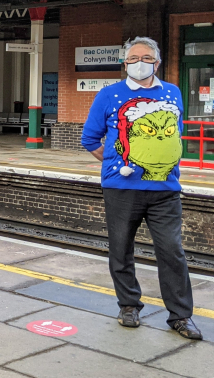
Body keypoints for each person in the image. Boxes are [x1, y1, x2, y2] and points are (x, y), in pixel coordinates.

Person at [82, 36, 201, 340]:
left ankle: (180, 316)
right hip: (121, 189)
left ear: (157, 62)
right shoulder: (109, 95)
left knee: (172, 251)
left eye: (146, 58)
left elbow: (175, 133)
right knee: (121, 249)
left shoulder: (172, 92)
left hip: (166, 189)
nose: (139, 63)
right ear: (125, 64)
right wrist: (117, 159)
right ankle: (129, 305)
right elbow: (90, 139)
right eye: (133, 59)